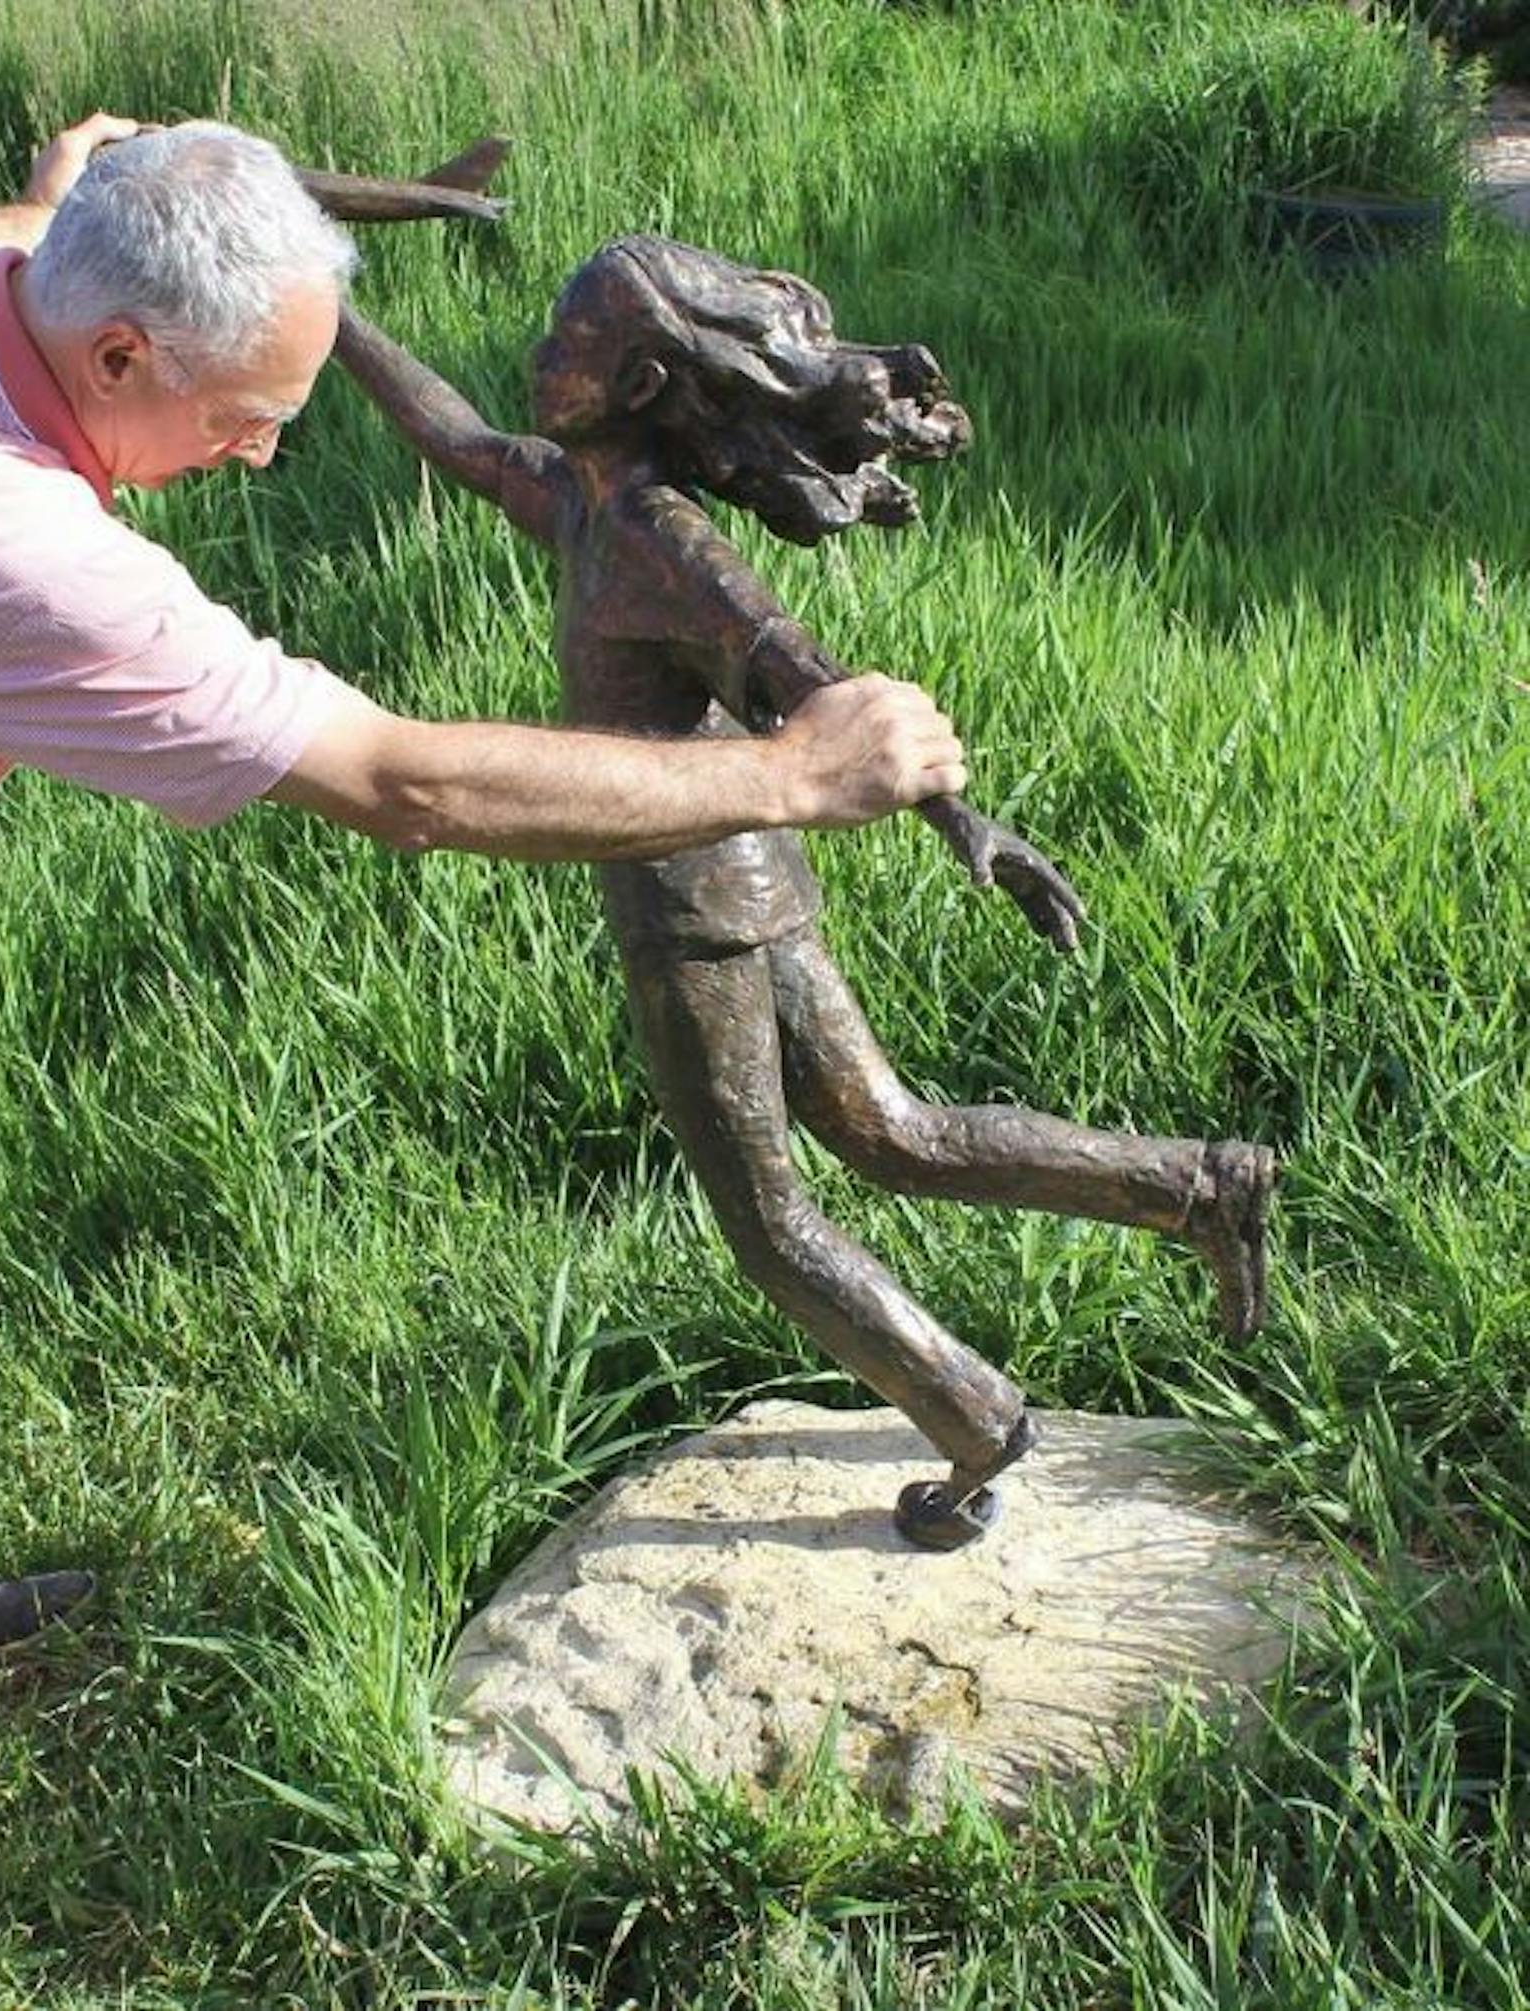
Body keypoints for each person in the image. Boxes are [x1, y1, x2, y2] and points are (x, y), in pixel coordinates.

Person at [0, 118, 978, 1925]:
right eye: (246, 412)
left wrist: (103, 181)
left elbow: (27, 228)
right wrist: (792, 774)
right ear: (115, 357)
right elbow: (405, 785)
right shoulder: (6, 550)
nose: (261, 450)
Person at [334, 234, 1274, 1548]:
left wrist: (962, 817)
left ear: (643, 378)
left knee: (770, 1220)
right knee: (894, 1132)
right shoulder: (586, 497)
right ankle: (1200, 1186)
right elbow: (452, 433)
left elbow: (805, 679)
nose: (541, 356)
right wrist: (323, 311)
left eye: (569, 342)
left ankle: (969, 1418)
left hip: (690, 910)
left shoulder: (661, 542)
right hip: (747, 881)